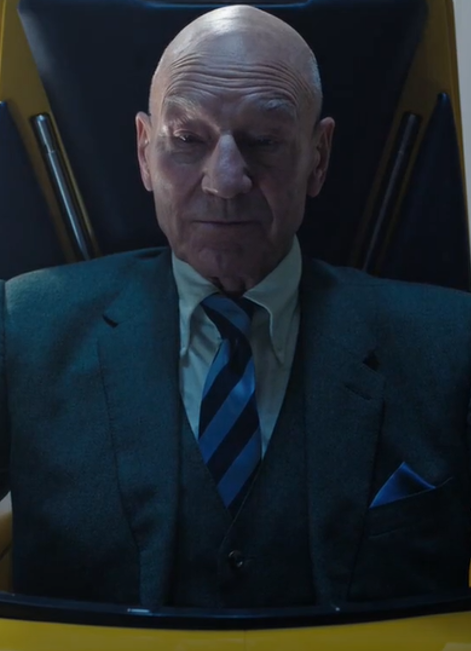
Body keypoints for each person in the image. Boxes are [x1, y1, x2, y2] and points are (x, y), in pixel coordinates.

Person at [0, 4, 470, 610]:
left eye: (265, 141)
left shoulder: (453, 346)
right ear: (144, 152)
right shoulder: (21, 329)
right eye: (187, 140)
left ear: (318, 156)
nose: (225, 181)